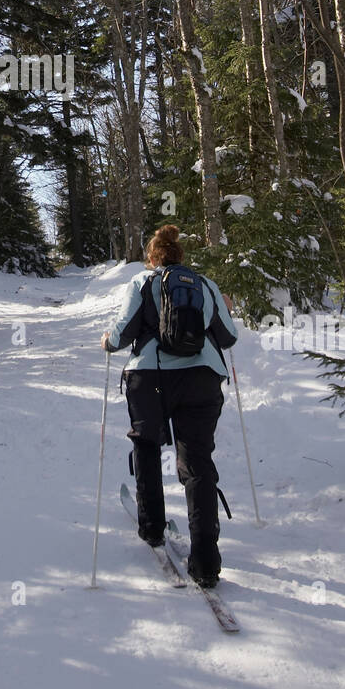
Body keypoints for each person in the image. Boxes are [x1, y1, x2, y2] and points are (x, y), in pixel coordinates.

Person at [100, 224, 238, 588]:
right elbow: (229, 336)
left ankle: (152, 527)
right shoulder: (204, 285)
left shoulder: (142, 284)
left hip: (151, 378)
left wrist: (107, 341)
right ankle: (207, 561)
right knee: (197, 462)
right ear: (180, 256)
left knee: (147, 445)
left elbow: (123, 333)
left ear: (152, 258)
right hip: (202, 378)